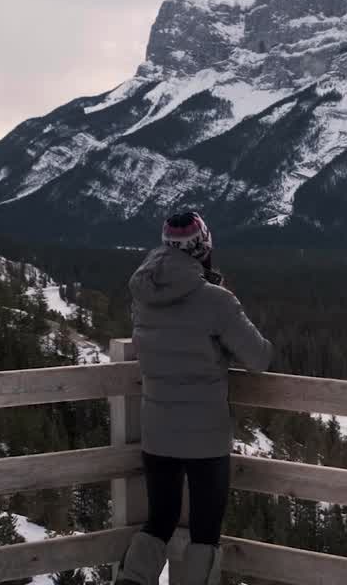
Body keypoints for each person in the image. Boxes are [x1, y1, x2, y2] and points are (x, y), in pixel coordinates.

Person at [117, 212, 273, 585]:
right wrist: (225, 305)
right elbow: (259, 358)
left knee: (160, 520)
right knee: (205, 531)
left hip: (157, 433)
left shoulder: (143, 296)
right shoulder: (217, 300)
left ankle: (130, 580)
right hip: (206, 437)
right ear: (204, 246)